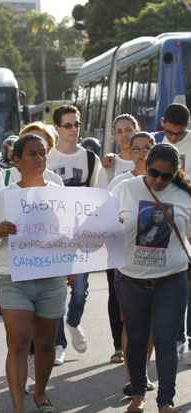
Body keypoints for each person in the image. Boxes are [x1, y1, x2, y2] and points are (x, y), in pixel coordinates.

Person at [0, 134, 67, 413]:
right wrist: (0, 230)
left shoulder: (57, 190)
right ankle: (18, 406)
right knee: (18, 341)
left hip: (51, 279)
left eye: (43, 153)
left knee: (45, 344)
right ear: (17, 160)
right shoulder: (6, 196)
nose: (40, 159)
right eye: (32, 154)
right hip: (14, 279)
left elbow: (70, 230)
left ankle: (40, 393)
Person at [112, 143, 191, 413]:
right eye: (154, 173)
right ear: (146, 165)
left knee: (166, 340)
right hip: (130, 279)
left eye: (166, 176)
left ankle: (165, 401)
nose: (158, 180)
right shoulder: (124, 188)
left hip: (171, 280)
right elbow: (99, 224)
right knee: (135, 341)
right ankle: (137, 395)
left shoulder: (185, 197)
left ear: (175, 174)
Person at [48, 105, 106, 365]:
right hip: (53, 237)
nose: (74, 129)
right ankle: (58, 343)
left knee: (80, 290)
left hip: (81, 235)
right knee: (57, 290)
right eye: (68, 125)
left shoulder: (90, 158)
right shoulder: (46, 157)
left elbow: (99, 195)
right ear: (57, 128)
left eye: (77, 124)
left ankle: (73, 322)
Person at [106, 132, 155, 367]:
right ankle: (132, 376)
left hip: (158, 262)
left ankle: (142, 370)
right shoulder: (121, 182)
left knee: (152, 324)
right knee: (132, 321)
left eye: (146, 148)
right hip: (127, 263)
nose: (141, 153)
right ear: (130, 151)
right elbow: (106, 216)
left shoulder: (167, 181)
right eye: (136, 148)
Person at [154, 104, 191, 360]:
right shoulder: (156, 142)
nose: (173, 138)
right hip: (164, 219)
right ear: (163, 122)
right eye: (169, 131)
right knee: (177, 281)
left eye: (179, 134)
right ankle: (178, 336)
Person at [101, 114, 140, 181]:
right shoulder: (108, 164)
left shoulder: (146, 163)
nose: (124, 134)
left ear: (136, 132)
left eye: (128, 130)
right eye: (119, 131)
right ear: (115, 136)